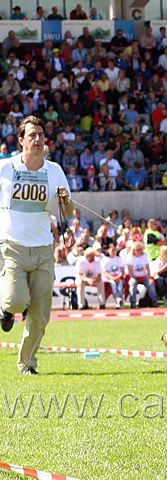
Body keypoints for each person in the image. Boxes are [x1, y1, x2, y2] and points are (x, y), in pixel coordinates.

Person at [0, 116, 74, 375]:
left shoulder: (54, 170)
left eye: (41, 134)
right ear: (21, 141)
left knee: (40, 314)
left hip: (43, 247)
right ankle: (5, 309)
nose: (38, 139)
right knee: (17, 300)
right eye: (32, 135)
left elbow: (69, 210)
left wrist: (65, 201)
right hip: (12, 246)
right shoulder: (5, 168)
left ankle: (27, 364)